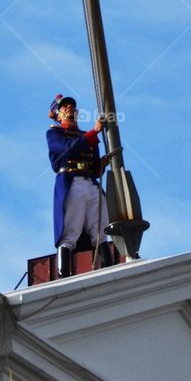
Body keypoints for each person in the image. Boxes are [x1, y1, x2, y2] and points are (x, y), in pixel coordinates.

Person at [46, 93, 110, 277]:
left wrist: (101, 164)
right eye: (64, 107)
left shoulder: (86, 136)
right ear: (57, 115)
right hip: (72, 183)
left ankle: (109, 267)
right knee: (70, 230)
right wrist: (93, 133)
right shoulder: (54, 133)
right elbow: (67, 148)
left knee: (101, 228)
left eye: (71, 107)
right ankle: (63, 273)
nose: (69, 109)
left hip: (90, 183)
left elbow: (95, 166)